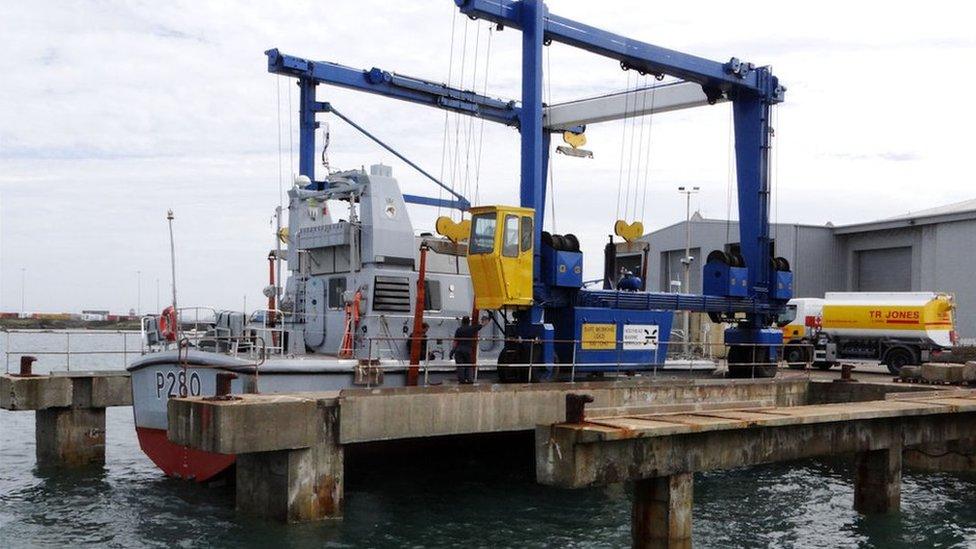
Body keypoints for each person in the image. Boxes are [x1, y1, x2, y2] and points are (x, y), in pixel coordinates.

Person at [452, 315, 488, 384]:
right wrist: (485, 321)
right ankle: (469, 379)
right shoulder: (471, 328)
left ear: (462, 322)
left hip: (459, 349)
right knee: (469, 365)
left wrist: (453, 350)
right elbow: (481, 326)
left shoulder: (459, 329)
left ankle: (461, 380)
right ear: (469, 322)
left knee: (460, 366)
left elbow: (455, 341)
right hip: (467, 349)